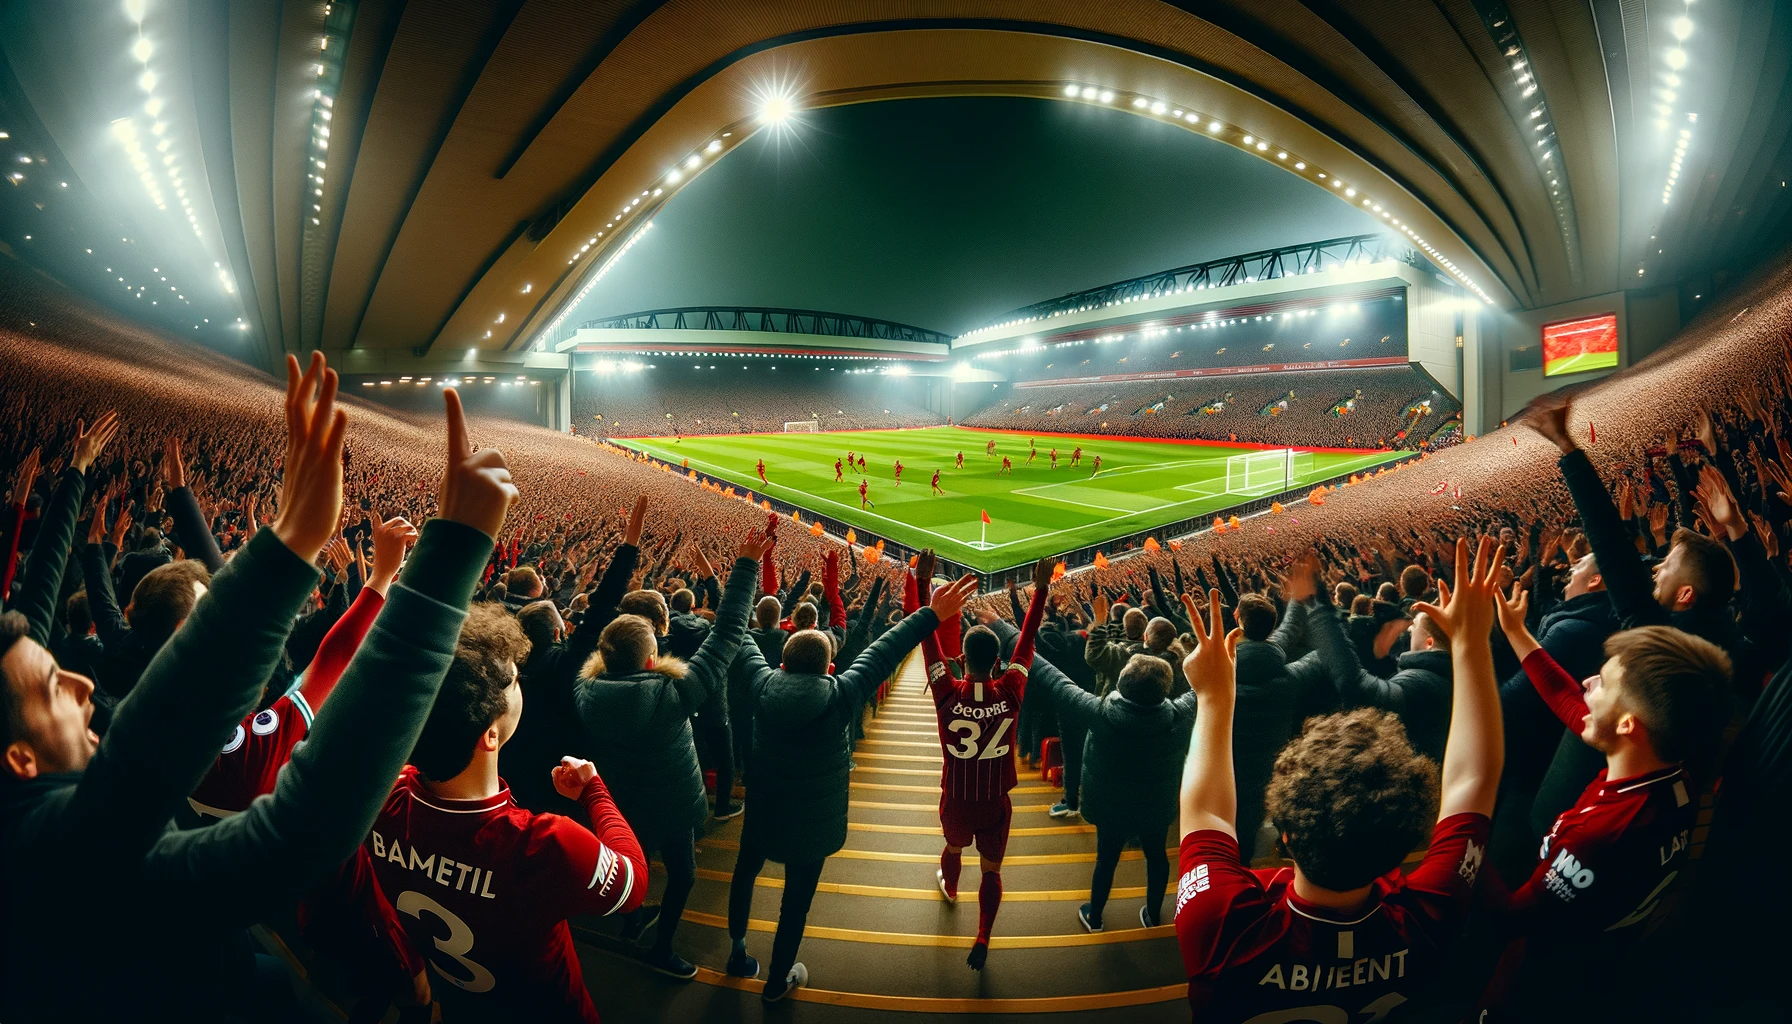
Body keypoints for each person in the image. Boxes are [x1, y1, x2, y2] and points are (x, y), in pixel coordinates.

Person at [1, 356, 520, 1023]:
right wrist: (446, 558)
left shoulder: (53, 824)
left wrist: (294, 539)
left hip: (227, 957)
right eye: (51, 687)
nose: (78, 681)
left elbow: (47, 613)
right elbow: (298, 828)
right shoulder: (55, 868)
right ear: (18, 757)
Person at [1174, 538, 1505, 1022]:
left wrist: (1213, 698)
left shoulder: (1222, 921)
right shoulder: (1433, 915)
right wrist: (1473, 646)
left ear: (1285, 836)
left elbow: (1473, 781)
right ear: (1403, 851)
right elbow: (1473, 779)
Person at [362, 603, 647, 1022]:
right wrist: (593, 792)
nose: (521, 684)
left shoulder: (378, 802)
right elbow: (634, 884)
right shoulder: (545, 845)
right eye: (514, 681)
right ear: (490, 734)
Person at [723, 571, 978, 1000]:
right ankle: (776, 981)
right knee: (794, 906)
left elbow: (733, 627)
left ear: (782, 664)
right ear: (830, 667)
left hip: (764, 815)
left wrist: (740, 573)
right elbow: (883, 650)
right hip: (814, 826)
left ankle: (736, 951)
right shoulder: (842, 693)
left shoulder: (761, 683)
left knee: (744, 874)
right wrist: (933, 614)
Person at [1485, 585, 1730, 1020]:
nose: (1587, 683)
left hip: (1539, 987)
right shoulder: (1669, 770)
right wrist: (1517, 633)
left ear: (1628, 724)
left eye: (1603, 682)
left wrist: (1463, 824)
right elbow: (1568, 701)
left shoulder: (1600, 838)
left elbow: (1508, 918)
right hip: (1599, 960)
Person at [570, 527, 765, 980]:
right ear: (649, 660)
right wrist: (745, 565)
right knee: (683, 877)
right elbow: (728, 634)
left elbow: (596, 626)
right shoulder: (673, 694)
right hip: (673, 807)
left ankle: (630, 916)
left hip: (617, 804)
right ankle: (661, 949)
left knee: (627, 862)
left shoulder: (583, 689)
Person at [919, 553, 1052, 970]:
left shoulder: (946, 691)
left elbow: (928, 642)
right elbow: (1027, 641)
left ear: (961, 659)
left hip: (956, 798)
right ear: (998, 662)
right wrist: (1041, 589)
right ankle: (982, 935)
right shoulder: (1011, 688)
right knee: (992, 870)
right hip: (995, 803)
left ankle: (952, 889)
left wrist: (924, 587)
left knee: (953, 847)